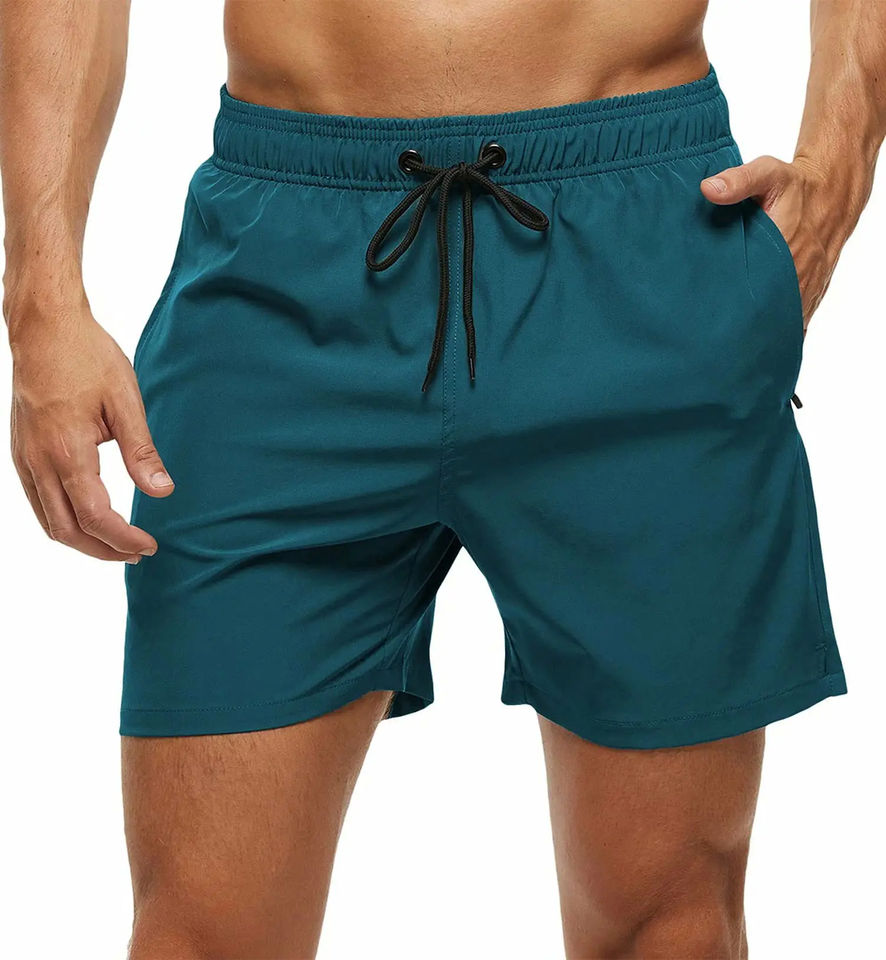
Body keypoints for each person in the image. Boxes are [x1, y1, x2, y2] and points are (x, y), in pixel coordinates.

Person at [1, 1, 883, 957]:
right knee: (199, 936)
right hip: (280, 277)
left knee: (670, 929)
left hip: (641, 248)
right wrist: (41, 303)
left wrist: (837, 166)